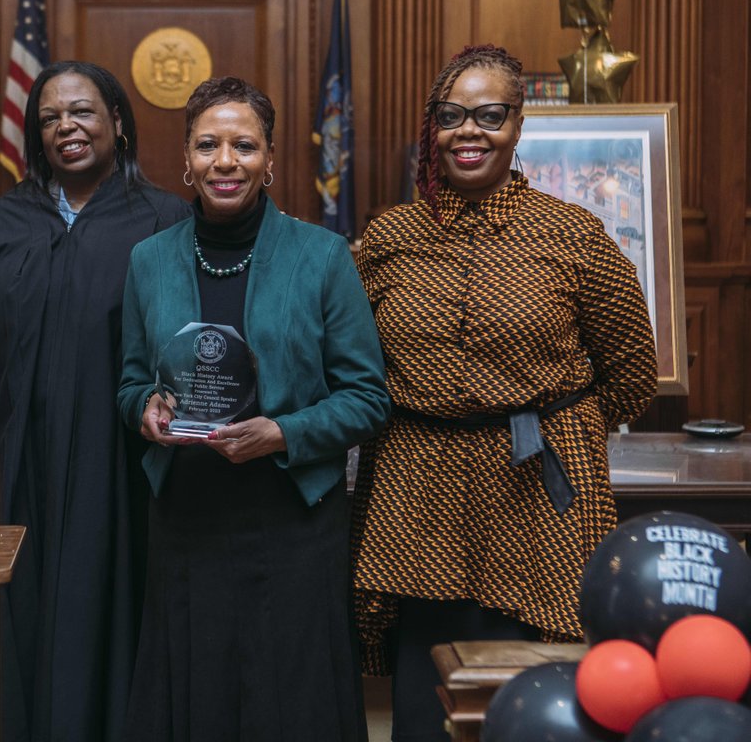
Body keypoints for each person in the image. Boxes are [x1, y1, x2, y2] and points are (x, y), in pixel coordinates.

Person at [349, 44, 658, 741]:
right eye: (451, 115)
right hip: (416, 491)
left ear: (519, 124)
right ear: (432, 127)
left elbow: (633, 369)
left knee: (536, 694)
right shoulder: (391, 236)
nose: (469, 132)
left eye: (489, 115)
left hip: (535, 494)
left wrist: (559, 430)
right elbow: (346, 356)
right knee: (428, 694)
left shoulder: (571, 234)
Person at [117, 76, 391, 741]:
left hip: (291, 523)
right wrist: (146, 410)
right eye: (208, 144)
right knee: (196, 700)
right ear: (185, 160)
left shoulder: (322, 257)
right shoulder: (148, 261)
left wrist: (283, 433)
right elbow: (128, 382)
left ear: (271, 161)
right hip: (187, 520)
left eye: (244, 145)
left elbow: (368, 398)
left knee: (289, 703)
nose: (225, 160)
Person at [0, 61, 190, 742]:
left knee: (110, 610)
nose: (65, 128)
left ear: (118, 123)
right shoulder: (2, 224)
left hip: (120, 471)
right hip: (16, 465)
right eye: (49, 118)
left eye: (81, 112)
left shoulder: (164, 223)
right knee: (18, 607)